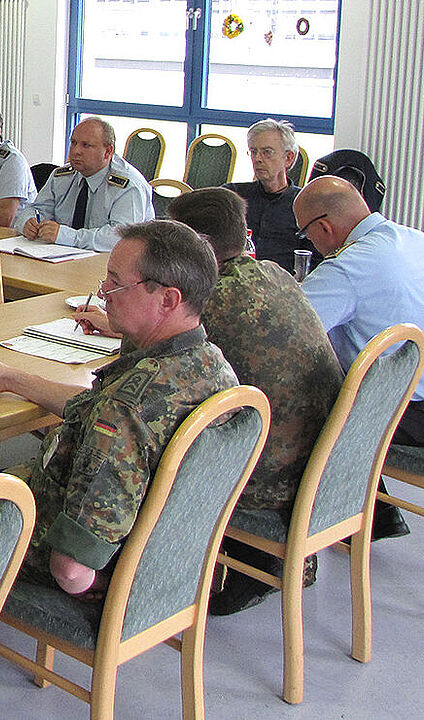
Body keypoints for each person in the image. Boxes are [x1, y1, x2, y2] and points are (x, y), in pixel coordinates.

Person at [73, 189, 344, 613]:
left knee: (112, 442)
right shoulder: (273, 274)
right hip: (323, 467)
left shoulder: (210, 300)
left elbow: (127, 397)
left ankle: (121, 572)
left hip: (256, 479)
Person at [0, 220, 236, 596]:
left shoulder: (123, 411)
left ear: (168, 300)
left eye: (116, 282)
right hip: (171, 559)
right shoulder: (213, 366)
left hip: (54, 557)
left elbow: (71, 570)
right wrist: (15, 379)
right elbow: (93, 411)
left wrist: (117, 589)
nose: (103, 291)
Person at [295, 175, 424, 539]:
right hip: (417, 397)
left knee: (304, 397)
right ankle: (378, 513)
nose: (310, 242)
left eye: (306, 234)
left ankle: (315, 522)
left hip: (406, 411)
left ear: (324, 227)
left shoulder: (347, 267)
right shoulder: (414, 238)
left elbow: (290, 329)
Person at [13, 117, 153, 252]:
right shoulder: (61, 177)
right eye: (73, 143)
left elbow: (120, 238)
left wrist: (67, 236)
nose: (76, 151)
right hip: (60, 257)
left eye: (86, 145)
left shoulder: (128, 186)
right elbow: (37, 209)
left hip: (111, 262)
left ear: (108, 151)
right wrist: (27, 222)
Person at [224, 118, 318, 269]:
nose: (257, 159)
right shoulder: (233, 195)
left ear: (288, 158)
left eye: (267, 152)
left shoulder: (305, 203)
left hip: (285, 280)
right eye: (253, 152)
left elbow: (313, 260)